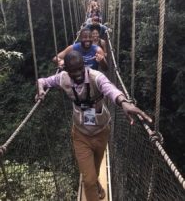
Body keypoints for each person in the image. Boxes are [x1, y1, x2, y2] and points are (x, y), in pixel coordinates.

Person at [36, 51, 152, 201]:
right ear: (67, 71)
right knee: (88, 180)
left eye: (80, 69)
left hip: (101, 131)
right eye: (73, 71)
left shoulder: (96, 76)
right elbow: (42, 81)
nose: (77, 73)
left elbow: (110, 88)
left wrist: (123, 102)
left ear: (84, 66)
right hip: (80, 134)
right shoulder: (63, 78)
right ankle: (94, 186)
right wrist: (40, 91)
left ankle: (97, 183)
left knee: (95, 171)